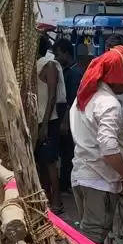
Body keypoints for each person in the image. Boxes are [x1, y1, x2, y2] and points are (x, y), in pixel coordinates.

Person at [68, 46, 123, 244]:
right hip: (99, 179)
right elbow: (109, 148)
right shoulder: (108, 103)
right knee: (93, 240)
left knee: (89, 236)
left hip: (83, 174)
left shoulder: (84, 98)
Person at [35, 35, 66, 212]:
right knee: (42, 162)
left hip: (49, 121)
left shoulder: (50, 65)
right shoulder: (37, 65)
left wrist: (45, 124)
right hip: (39, 121)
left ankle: (57, 202)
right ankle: (46, 199)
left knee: (50, 162)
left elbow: (53, 95)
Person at [55, 38, 80, 191]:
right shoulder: (65, 70)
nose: (56, 58)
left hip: (69, 118)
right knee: (65, 152)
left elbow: (71, 100)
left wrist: (65, 122)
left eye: (58, 54)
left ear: (66, 53)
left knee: (68, 153)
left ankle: (68, 184)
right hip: (64, 117)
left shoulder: (74, 73)